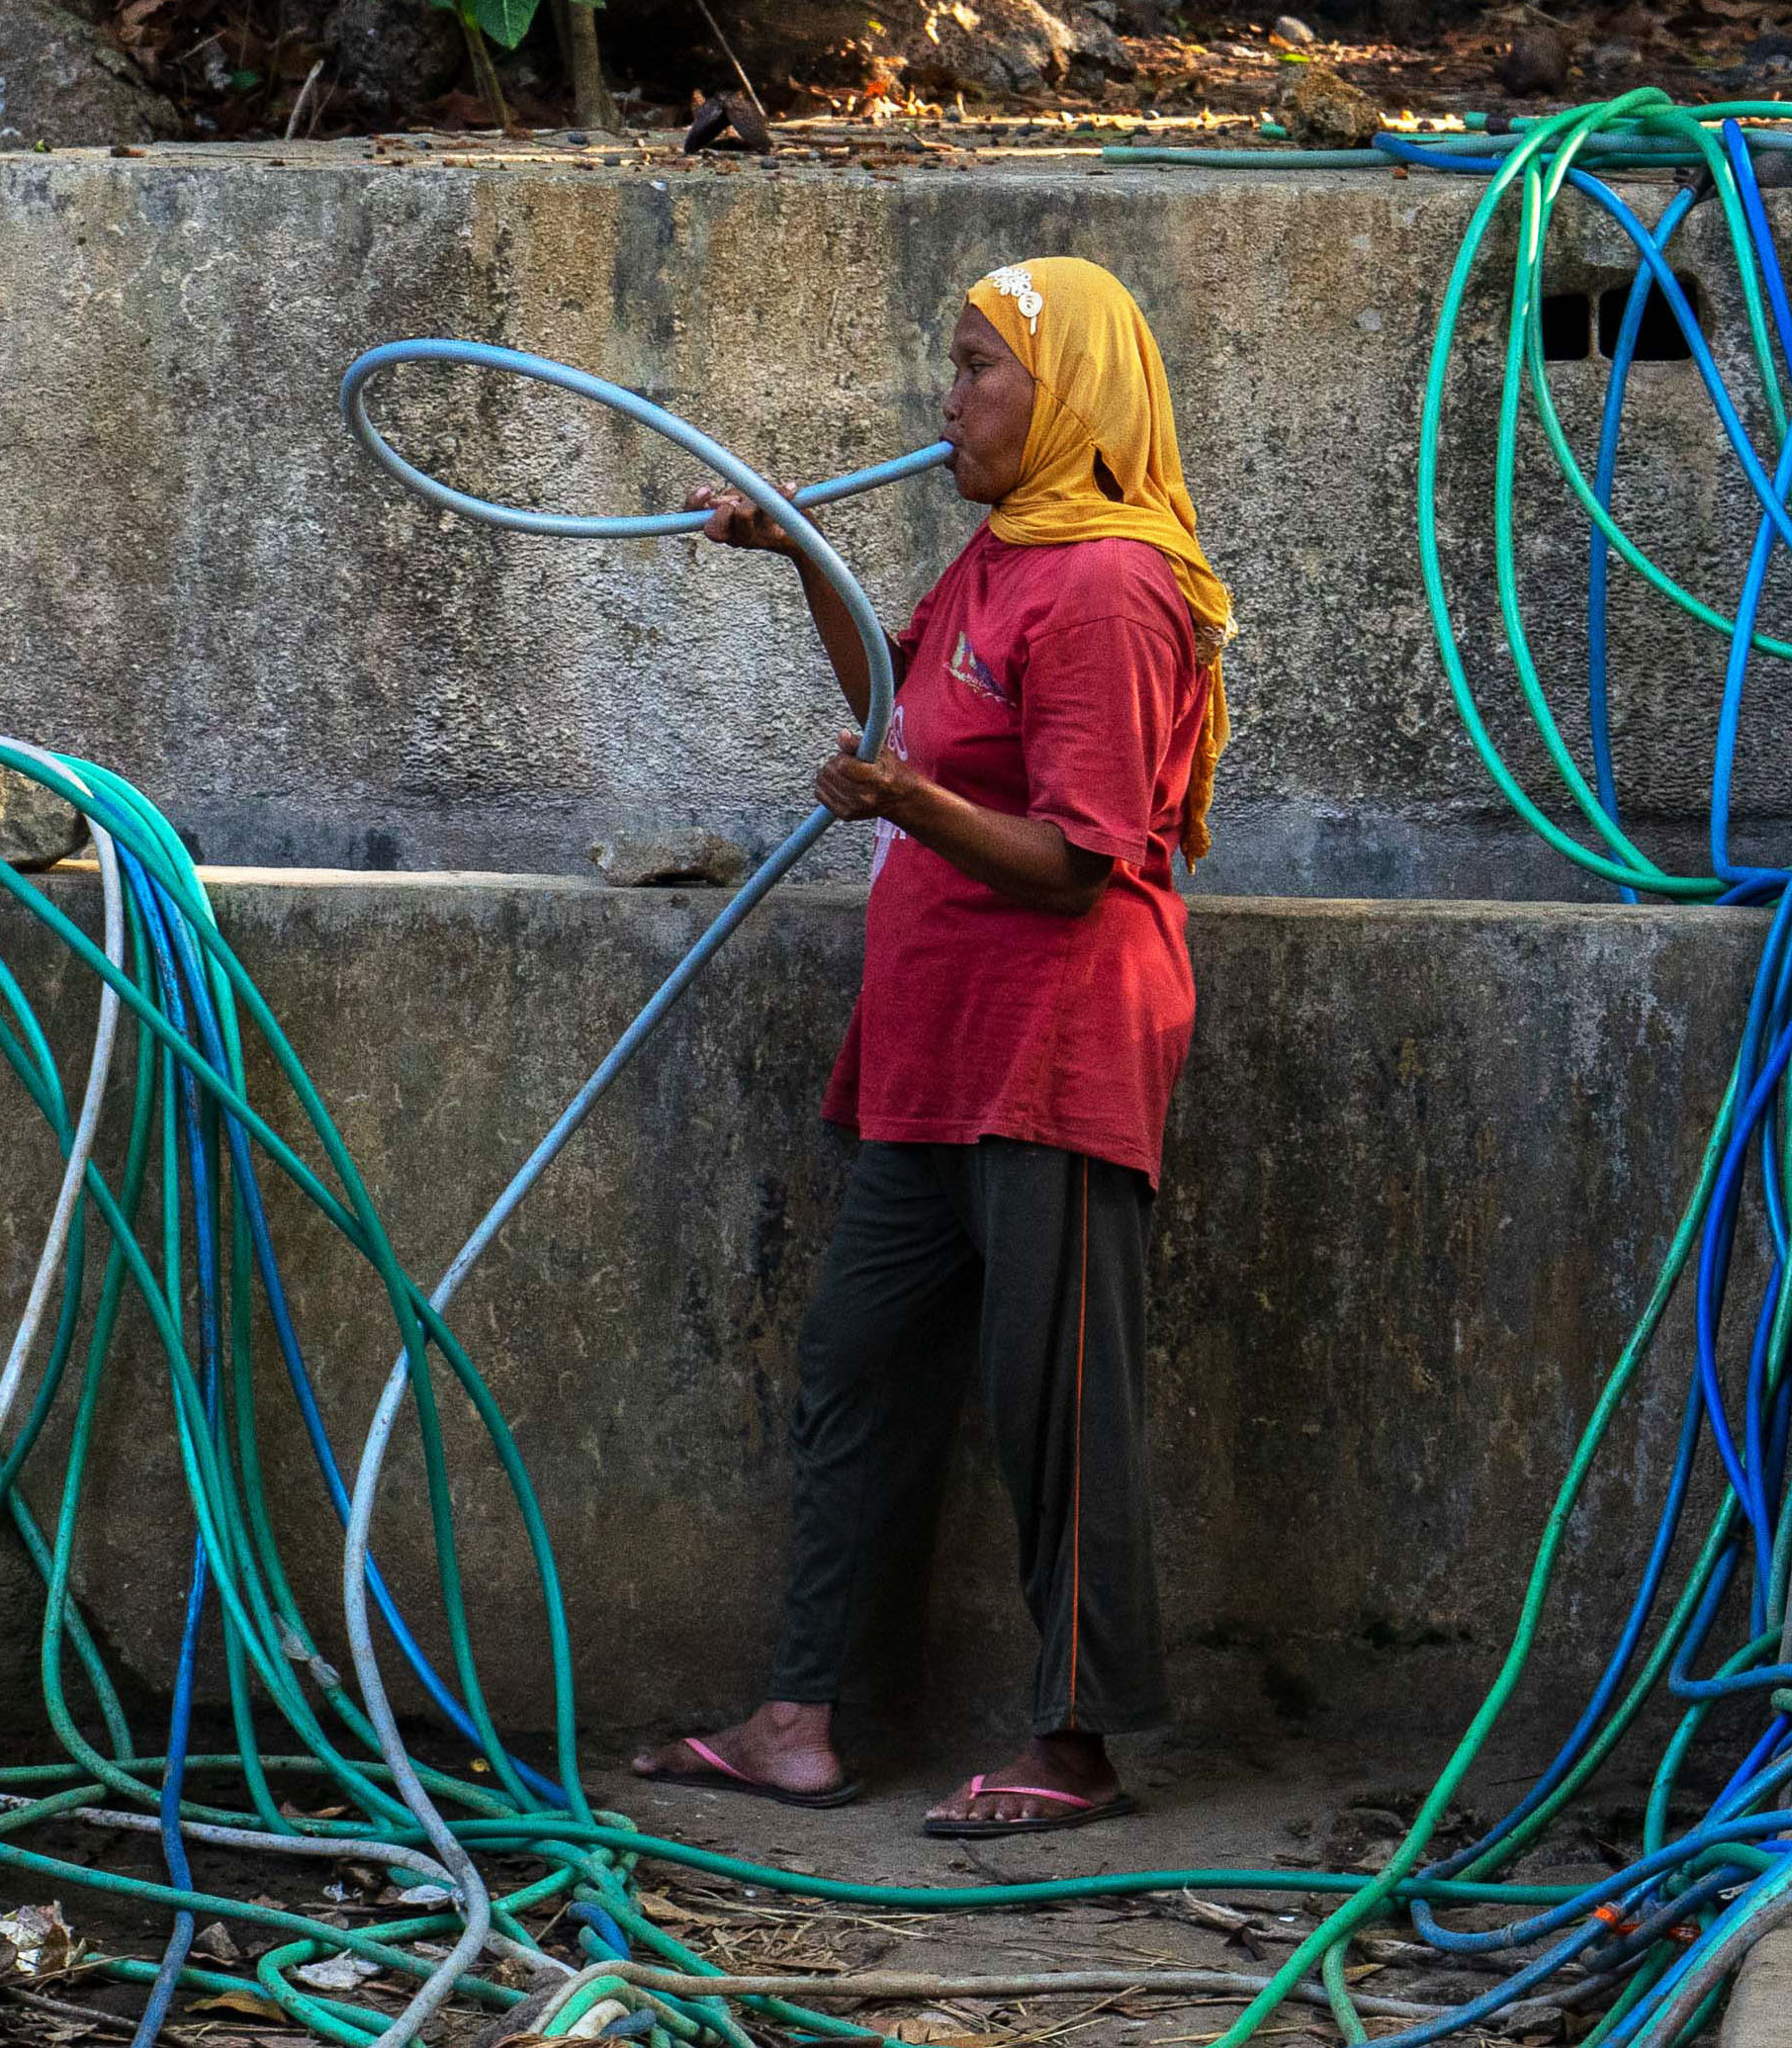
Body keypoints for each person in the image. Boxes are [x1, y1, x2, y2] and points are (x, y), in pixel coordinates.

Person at [629, 257, 1234, 1839]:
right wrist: (799, 558)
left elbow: (1081, 859)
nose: (947, 397)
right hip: (937, 1051)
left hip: (1056, 1049)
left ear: (1071, 392)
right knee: (859, 1363)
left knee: (1060, 1402)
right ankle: (804, 1717)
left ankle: (1079, 1746)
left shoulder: (1107, 585)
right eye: (952, 365)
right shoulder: (1003, 560)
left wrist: (905, 808)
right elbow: (900, 705)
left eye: (978, 367)